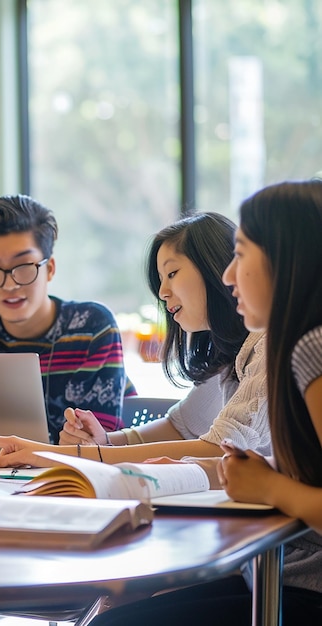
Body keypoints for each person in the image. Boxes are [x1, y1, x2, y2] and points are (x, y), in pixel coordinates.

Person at [87, 181, 322, 626]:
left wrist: (268, 486)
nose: (229, 276)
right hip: (273, 574)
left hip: (299, 590)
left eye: (242, 254)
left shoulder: (310, 349)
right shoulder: (290, 347)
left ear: (290, 261)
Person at [0, 211, 271, 470]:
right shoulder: (228, 358)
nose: (163, 293)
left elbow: (220, 449)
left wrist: (60, 456)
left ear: (219, 268)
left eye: (172, 273)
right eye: (160, 280)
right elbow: (182, 427)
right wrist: (106, 442)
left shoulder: (265, 346)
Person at [0, 193, 136, 443]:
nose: (9, 284)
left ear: (49, 269)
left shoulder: (93, 327)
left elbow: (99, 443)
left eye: (24, 266)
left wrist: (83, 443)